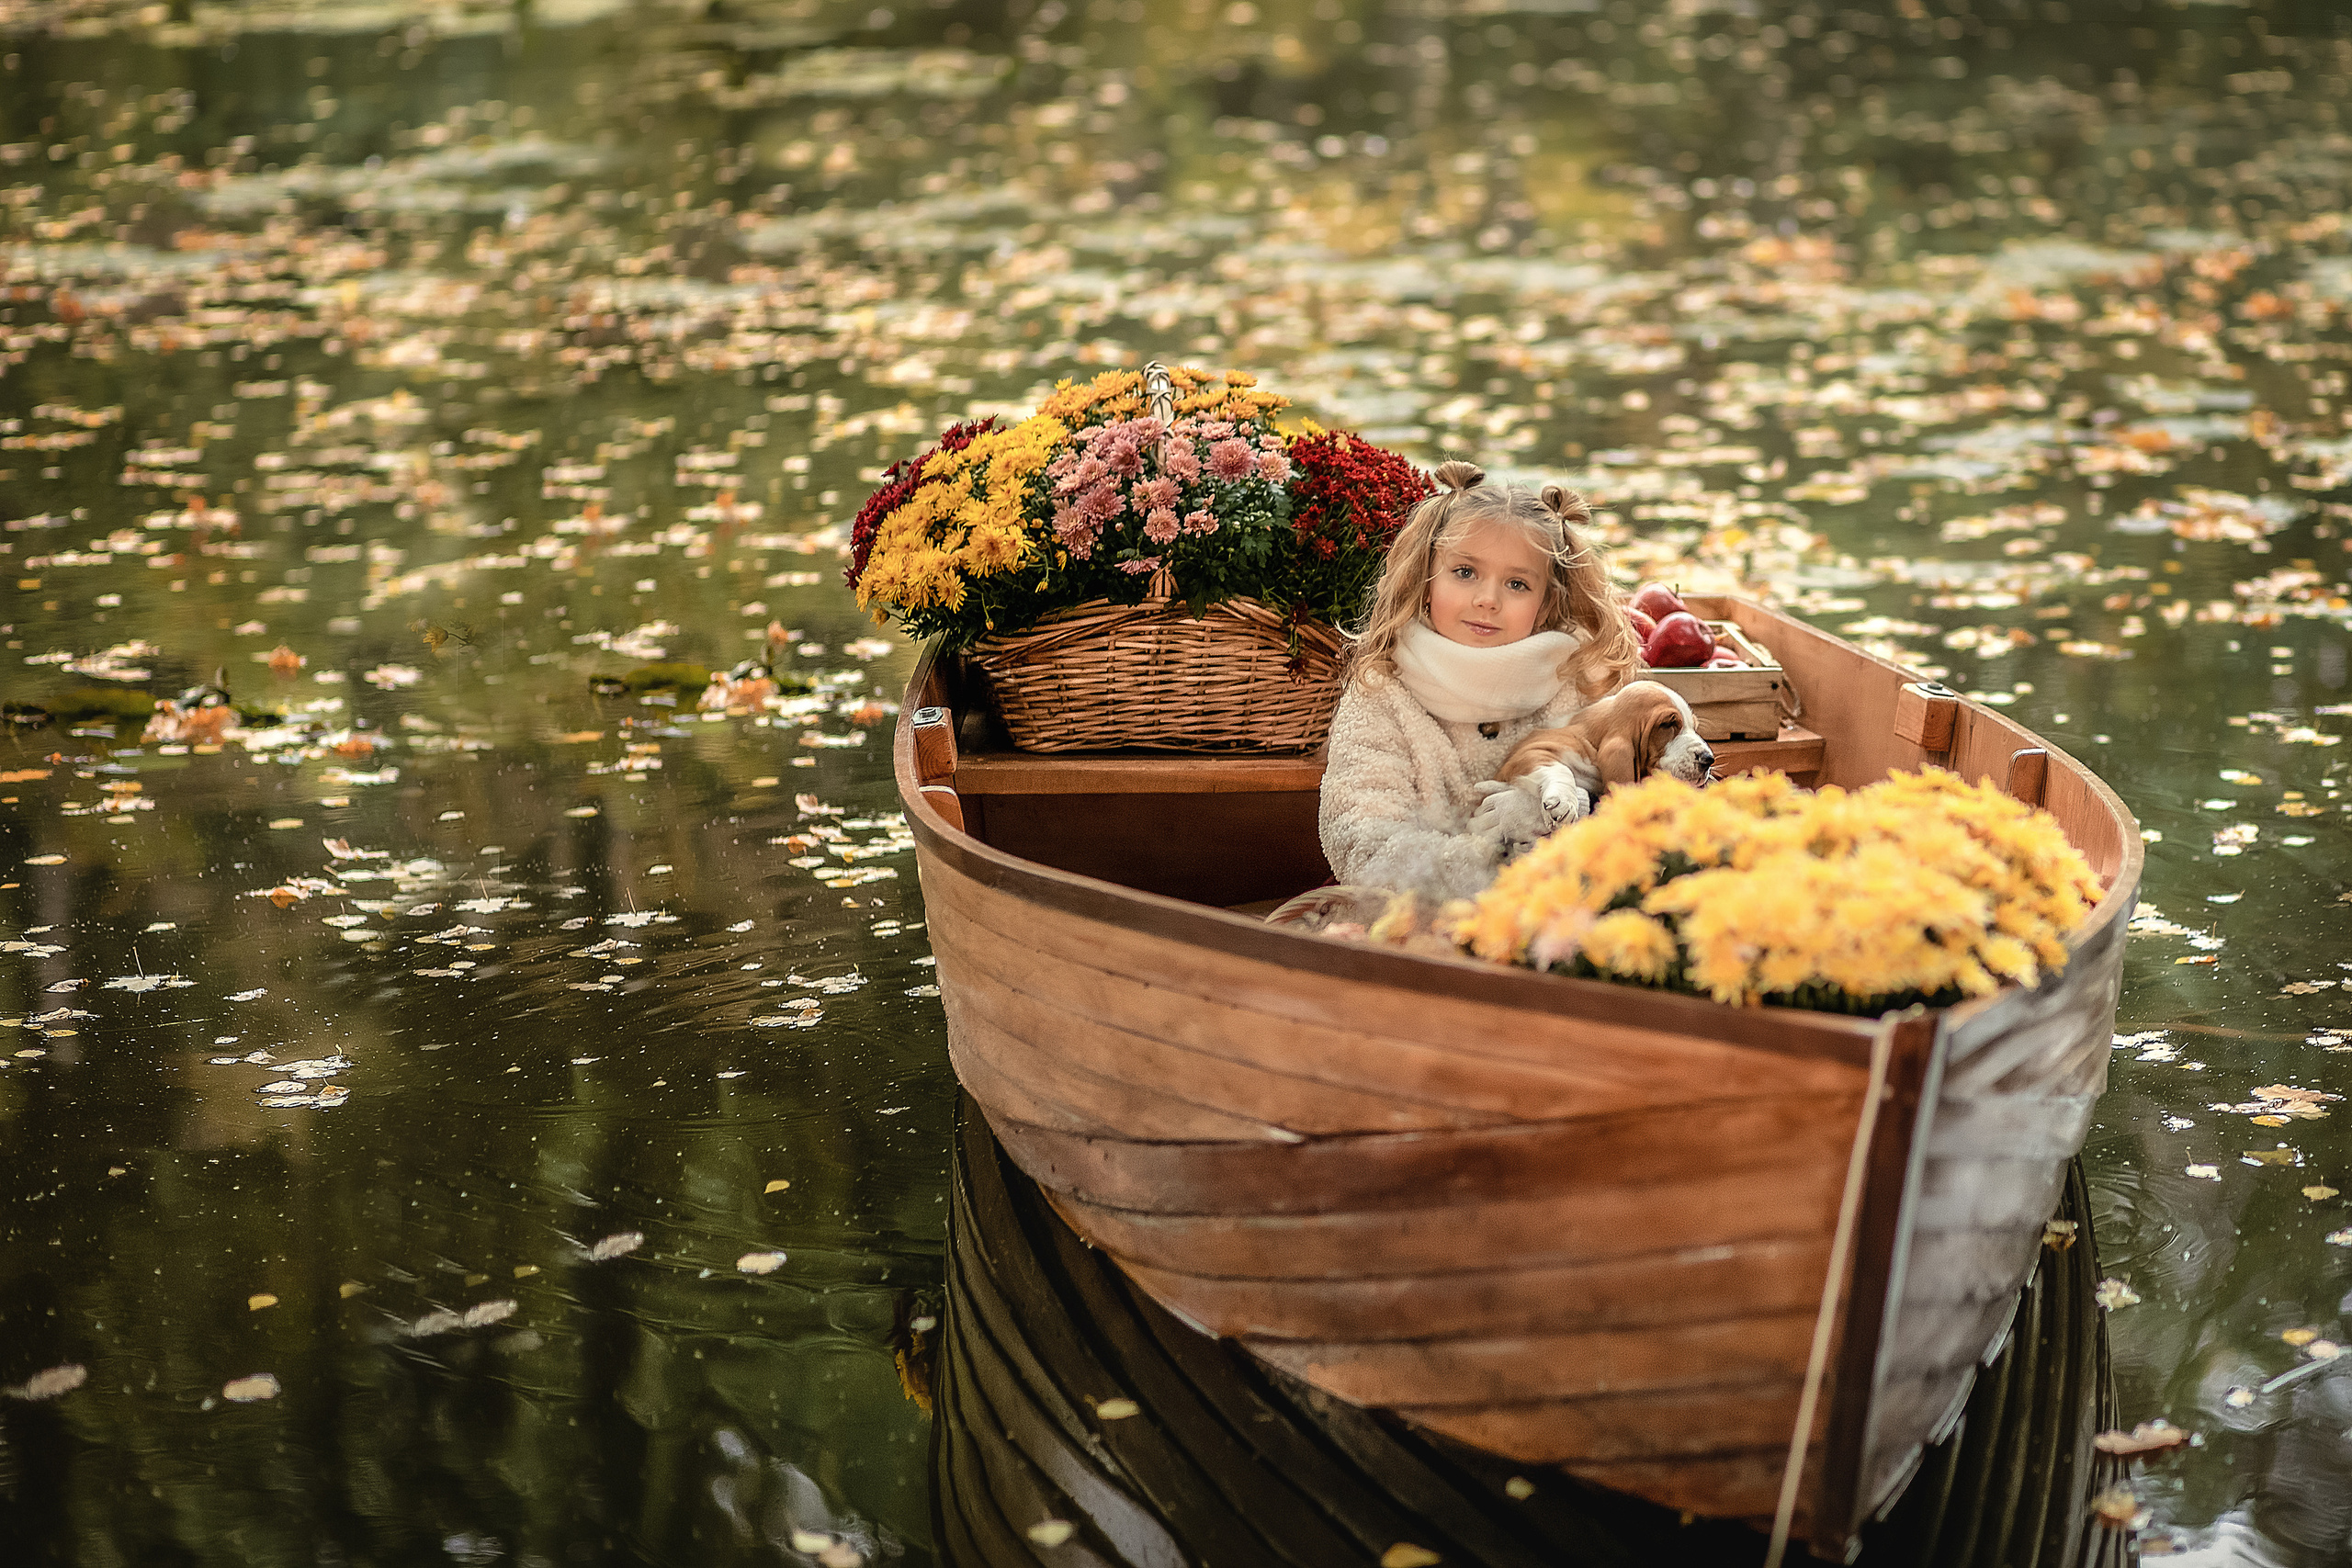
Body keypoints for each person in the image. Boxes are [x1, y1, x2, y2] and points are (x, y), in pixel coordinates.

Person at [1317, 459, 1641, 900]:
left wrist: (1561, 816)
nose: (1487, 600)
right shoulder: (1382, 690)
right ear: (1427, 577)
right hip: (1409, 920)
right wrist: (1497, 854)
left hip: (1558, 909)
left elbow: (1632, 810)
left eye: (1517, 584)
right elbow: (1361, 841)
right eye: (1465, 572)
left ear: (1545, 605)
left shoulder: (1581, 681)